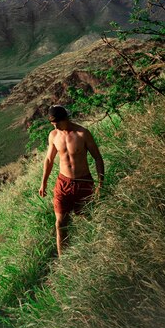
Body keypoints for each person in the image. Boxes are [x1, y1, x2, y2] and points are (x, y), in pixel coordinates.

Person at [39, 105, 104, 256]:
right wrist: (44, 182)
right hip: (63, 184)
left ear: (66, 119)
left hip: (84, 182)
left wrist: (101, 183)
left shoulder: (82, 134)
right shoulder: (54, 135)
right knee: (60, 223)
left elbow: (98, 158)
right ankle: (63, 261)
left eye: (57, 123)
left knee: (90, 219)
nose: (55, 127)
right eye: (52, 124)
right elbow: (49, 160)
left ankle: (96, 252)